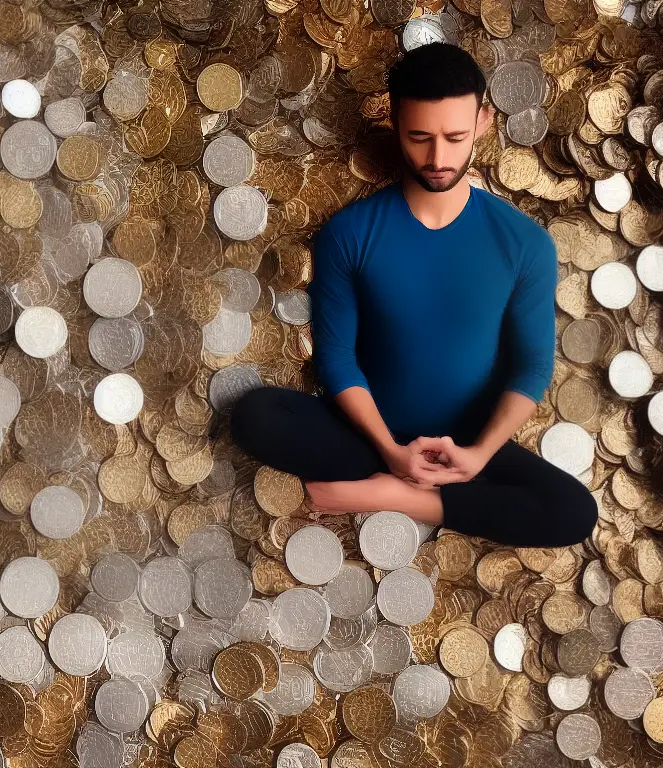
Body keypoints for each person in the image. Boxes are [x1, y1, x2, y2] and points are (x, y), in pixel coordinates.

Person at [229, 42, 598, 548]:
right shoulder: (350, 233)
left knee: (574, 513)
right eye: (419, 137)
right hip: (371, 433)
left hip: (467, 442)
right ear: (395, 120)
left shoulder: (525, 243)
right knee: (256, 415)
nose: (438, 158)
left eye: (455, 137)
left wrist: (480, 454)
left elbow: (531, 368)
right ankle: (408, 481)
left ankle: (396, 495)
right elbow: (337, 358)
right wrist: (389, 449)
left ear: (485, 121)